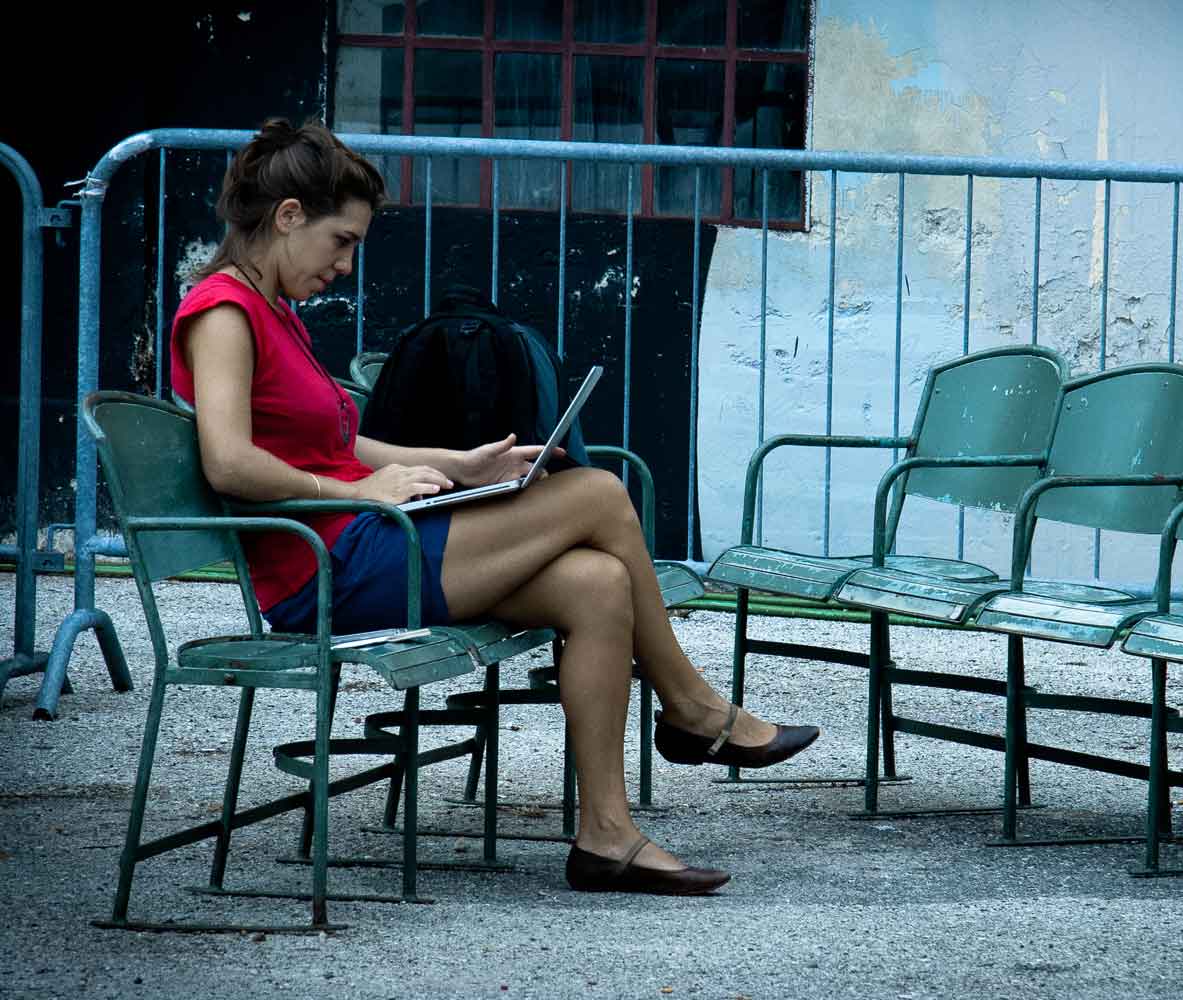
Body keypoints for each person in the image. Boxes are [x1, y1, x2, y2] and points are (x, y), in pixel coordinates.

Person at [170, 117, 818, 896]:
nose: (345, 264)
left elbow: (338, 440)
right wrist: (356, 493)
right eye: (341, 241)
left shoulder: (272, 311)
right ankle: (693, 708)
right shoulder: (223, 312)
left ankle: (607, 837)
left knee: (598, 584)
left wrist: (463, 465)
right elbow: (228, 460)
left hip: (365, 543)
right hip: (327, 570)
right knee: (598, 493)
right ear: (287, 216)